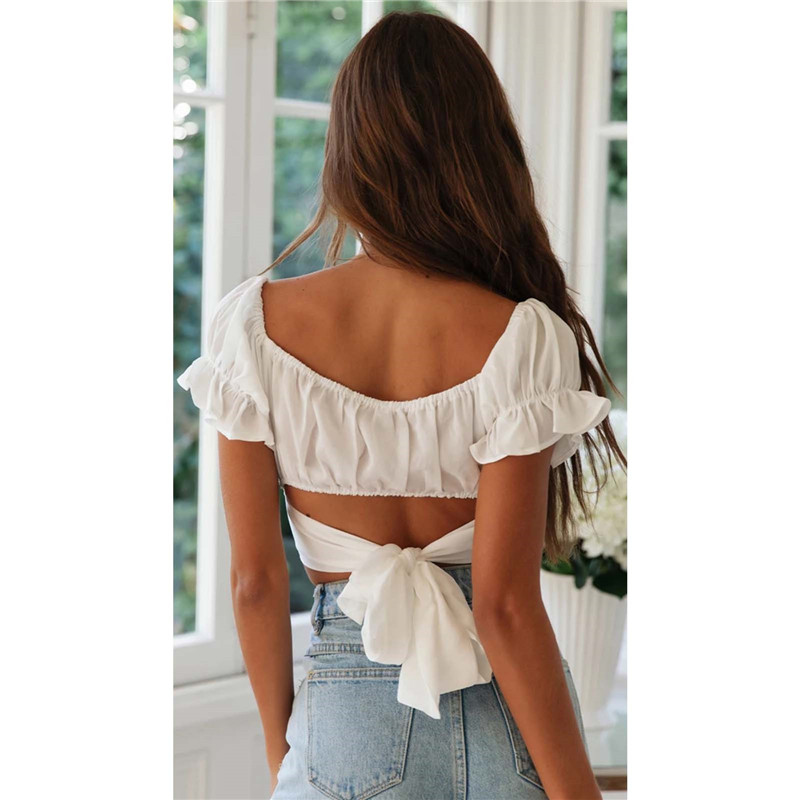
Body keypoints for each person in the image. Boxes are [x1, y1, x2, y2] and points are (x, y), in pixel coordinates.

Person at [177, 11, 625, 800]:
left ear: (348, 150)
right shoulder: (523, 335)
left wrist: (291, 748)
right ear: (481, 150)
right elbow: (506, 605)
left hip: (344, 717)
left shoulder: (252, 327)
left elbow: (254, 581)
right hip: (508, 712)